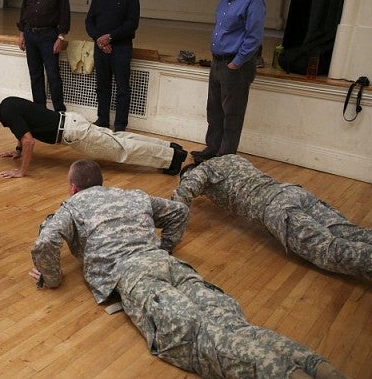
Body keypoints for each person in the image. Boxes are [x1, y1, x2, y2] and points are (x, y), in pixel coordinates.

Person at [30, 159, 346, 379]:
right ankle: (316, 366)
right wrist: (165, 248)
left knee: (196, 337)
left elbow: (46, 243)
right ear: (100, 182)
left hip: (137, 278)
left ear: (72, 188)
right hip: (170, 266)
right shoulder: (132, 196)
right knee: (232, 323)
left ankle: (285, 374)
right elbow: (179, 212)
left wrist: (52, 279)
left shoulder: (71, 207)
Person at [172, 155, 372, 296]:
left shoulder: (200, 171)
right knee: (349, 232)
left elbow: (186, 192)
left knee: (327, 249)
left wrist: (173, 219)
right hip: (294, 191)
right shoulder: (230, 159)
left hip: (277, 208)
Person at [0, 95, 186, 178]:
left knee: (121, 150)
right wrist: (17, 152)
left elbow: (28, 140)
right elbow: (23, 130)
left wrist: (22, 171)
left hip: (74, 133)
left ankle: (171, 158)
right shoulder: (7, 105)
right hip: (71, 122)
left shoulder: (6, 112)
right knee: (119, 138)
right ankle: (169, 147)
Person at [192, 0, 266, 163]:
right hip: (218, 63)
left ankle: (224, 158)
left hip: (236, 66)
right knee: (214, 110)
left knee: (232, 114)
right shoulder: (224, 1)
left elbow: (254, 37)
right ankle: (212, 149)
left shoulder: (253, 1)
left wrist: (237, 61)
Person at [84, 0, 140, 132]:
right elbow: (89, 22)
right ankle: (102, 119)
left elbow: (132, 23)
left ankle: (120, 125)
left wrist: (110, 37)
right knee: (102, 86)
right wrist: (99, 40)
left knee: (122, 88)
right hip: (101, 49)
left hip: (121, 48)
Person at [17, 0, 70, 112]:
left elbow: (65, 14)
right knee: (35, 75)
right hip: (30, 35)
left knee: (53, 76)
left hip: (49, 37)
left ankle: (59, 112)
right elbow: (24, 10)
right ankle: (39, 111)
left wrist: (60, 37)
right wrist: (21, 33)